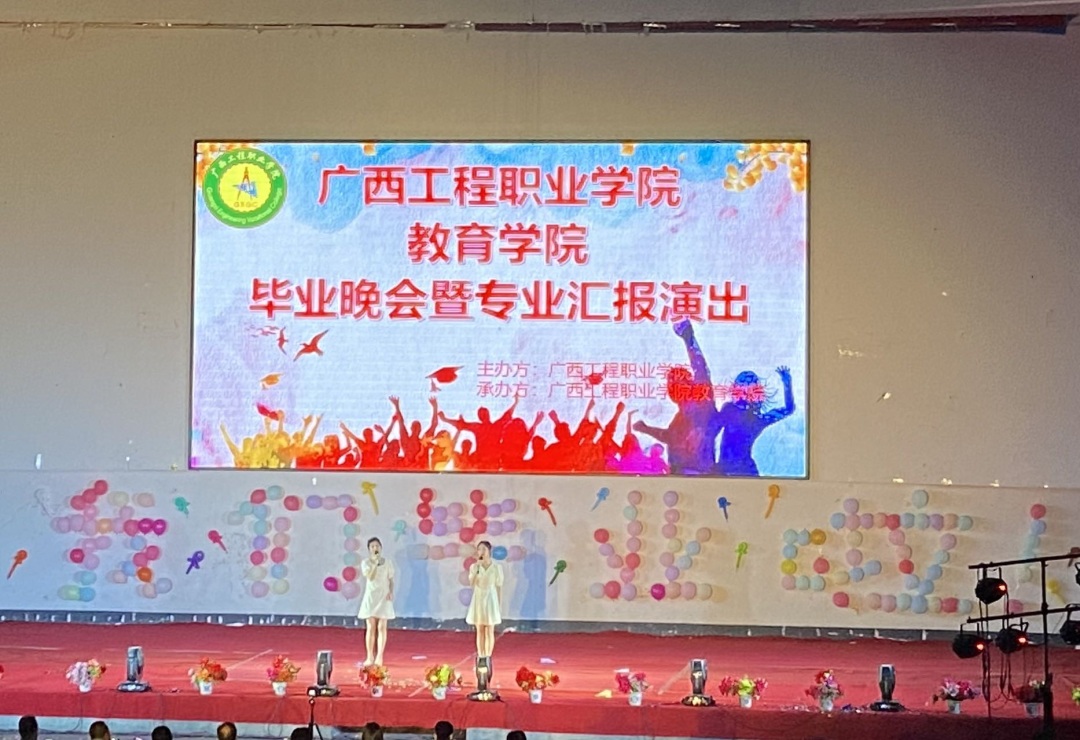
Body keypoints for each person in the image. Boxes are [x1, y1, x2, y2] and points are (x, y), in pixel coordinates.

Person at [358, 536, 395, 666]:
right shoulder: (366, 563)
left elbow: (391, 579)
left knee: (382, 627)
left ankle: (379, 656)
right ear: (369, 549)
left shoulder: (388, 562)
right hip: (371, 597)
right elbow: (370, 577)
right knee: (370, 626)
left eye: (377, 546)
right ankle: (369, 656)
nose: (375, 548)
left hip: (383, 596)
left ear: (381, 547)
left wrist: (391, 592)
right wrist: (374, 563)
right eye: (372, 546)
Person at [467, 539, 504, 659]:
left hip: (490, 598)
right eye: (479, 549)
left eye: (484, 549)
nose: (481, 552)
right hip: (479, 599)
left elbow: (499, 585)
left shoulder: (496, 567)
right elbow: (472, 583)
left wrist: (498, 604)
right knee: (480, 629)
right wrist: (477, 567)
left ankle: (488, 656)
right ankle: (481, 656)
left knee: (489, 629)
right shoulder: (474, 567)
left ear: (489, 551)